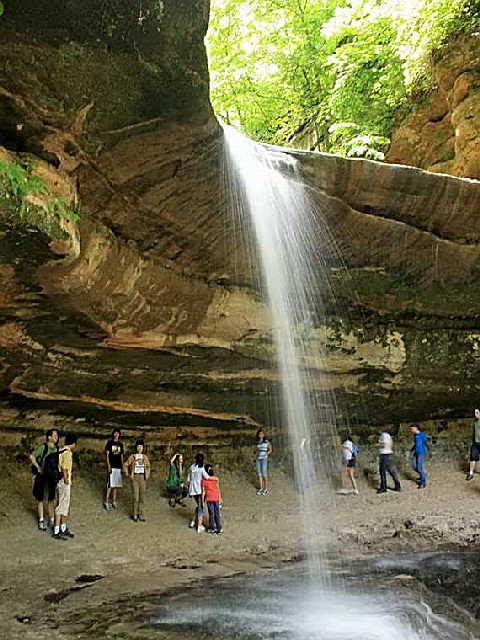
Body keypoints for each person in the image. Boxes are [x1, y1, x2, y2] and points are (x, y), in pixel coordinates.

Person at [28, 428, 59, 531]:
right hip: (42, 476)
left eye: (57, 436)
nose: (56, 437)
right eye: (54, 436)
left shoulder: (56, 449)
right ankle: (41, 520)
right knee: (40, 498)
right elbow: (32, 456)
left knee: (51, 499)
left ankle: (52, 519)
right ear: (49, 437)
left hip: (51, 478)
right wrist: (38, 467)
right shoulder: (43, 448)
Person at [53, 433, 78, 540]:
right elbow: (64, 468)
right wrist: (67, 479)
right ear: (73, 443)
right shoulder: (67, 453)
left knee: (64, 504)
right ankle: (57, 529)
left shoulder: (60, 451)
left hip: (58, 480)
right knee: (62, 505)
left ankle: (62, 527)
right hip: (63, 481)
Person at [124, 441, 151, 522]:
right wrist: (128, 474)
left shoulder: (144, 457)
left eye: (141, 447)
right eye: (138, 446)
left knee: (142, 496)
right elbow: (125, 465)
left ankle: (141, 514)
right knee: (136, 497)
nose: (140, 448)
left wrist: (147, 474)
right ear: (136, 447)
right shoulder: (132, 457)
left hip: (142, 477)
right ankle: (135, 514)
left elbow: (148, 466)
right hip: (135, 476)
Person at [187, 453, 209, 532]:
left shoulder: (192, 467)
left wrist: (189, 491)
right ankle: (199, 526)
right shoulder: (201, 469)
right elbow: (207, 477)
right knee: (201, 507)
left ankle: (193, 522)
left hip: (192, 489)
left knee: (199, 506)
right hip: (199, 490)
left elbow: (188, 479)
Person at [104, 429, 124, 510]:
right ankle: (106, 501)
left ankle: (114, 500)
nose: (116, 435)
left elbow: (121, 455)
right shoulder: (109, 443)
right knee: (110, 484)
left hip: (118, 466)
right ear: (113, 434)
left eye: (117, 433)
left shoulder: (120, 444)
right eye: (115, 433)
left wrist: (122, 466)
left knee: (116, 484)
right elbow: (107, 455)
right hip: (112, 466)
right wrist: (108, 465)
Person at [203, 464, 223, 534]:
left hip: (209, 498)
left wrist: (203, 500)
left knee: (211, 513)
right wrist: (220, 497)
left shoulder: (203, 481)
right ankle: (218, 528)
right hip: (216, 498)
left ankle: (212, 528)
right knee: (216, 513)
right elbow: (218, 488)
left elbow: (203, 492)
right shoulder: (215, 479)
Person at [338, 430, 359, 495]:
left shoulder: (347, 442)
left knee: (344, 474)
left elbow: (341, 448)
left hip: (349, 461)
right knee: (350, 475)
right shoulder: (348, 442)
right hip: (350, 460)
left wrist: (338, 442)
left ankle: (345, 488)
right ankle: (355, 489)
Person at [254, 428, 272, 495]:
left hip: (264, 459)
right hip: (258, 459)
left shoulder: (266, 442)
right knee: (259, 474)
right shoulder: (257, 442)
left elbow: (270, 449)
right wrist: (256, 452)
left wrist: (266, 454)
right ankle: (261, 488)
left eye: (262, 434)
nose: (261, 435)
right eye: (259, 434)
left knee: (264, 474)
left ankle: (266, 489)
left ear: (264, 435)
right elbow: (255, 450)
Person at [410, 424, 428, 488]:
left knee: (419, 468)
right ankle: (423, 474)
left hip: (421, 453)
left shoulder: (422, 435)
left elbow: (425, 442)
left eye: (412, 429)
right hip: (416, 453)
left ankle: (423, 483)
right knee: (413, 465)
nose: (411, 430)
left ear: (416, 428)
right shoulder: (415, 436)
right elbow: (415, 444)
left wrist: (427, 449)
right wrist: (411, 450)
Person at [466, 409, 480, 480]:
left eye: (477, 413)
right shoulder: (475, 421)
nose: (475, 414)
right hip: (476, 442)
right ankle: (471, 473)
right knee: (472, 457)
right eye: (475, 413)